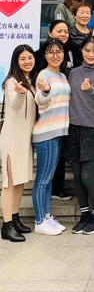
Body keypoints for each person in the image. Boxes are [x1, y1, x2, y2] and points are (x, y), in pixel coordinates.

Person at [66, 37, 94, 235]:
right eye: (87, 50)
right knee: (77, 176)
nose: (91, 54)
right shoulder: (74, 73)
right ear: (82, 51)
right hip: (75, 127)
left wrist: (89, 89)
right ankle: (85, 215)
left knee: (88, 175)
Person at [32, 38, 71, 236]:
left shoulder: (62, 75)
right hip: (46, 133)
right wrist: (45, 91)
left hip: (58, 132)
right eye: (50, 52)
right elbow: (40, 99)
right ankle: (39, 221)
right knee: (43, 179)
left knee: (48, 179)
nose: (55, 55)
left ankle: (46, 216)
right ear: (45, 55)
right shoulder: (44, 75)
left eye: (59, 51)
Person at [1, 45, 37, 242]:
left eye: (30, 57)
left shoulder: (31, 81)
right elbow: (15, 105)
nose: (27, 62)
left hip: (25, 139)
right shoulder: (11, 82)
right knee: (9, 183)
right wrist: (21, 93)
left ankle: (15, 218)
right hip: (12, 138)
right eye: (22, 59)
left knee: (20, 181)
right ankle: (6, 225)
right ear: (16, 61)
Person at [69, 2, 92, 67]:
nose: (85, 16)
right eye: (82, 13)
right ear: (74, 15)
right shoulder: (69, 32)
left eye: (88, 13)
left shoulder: (93, 32)